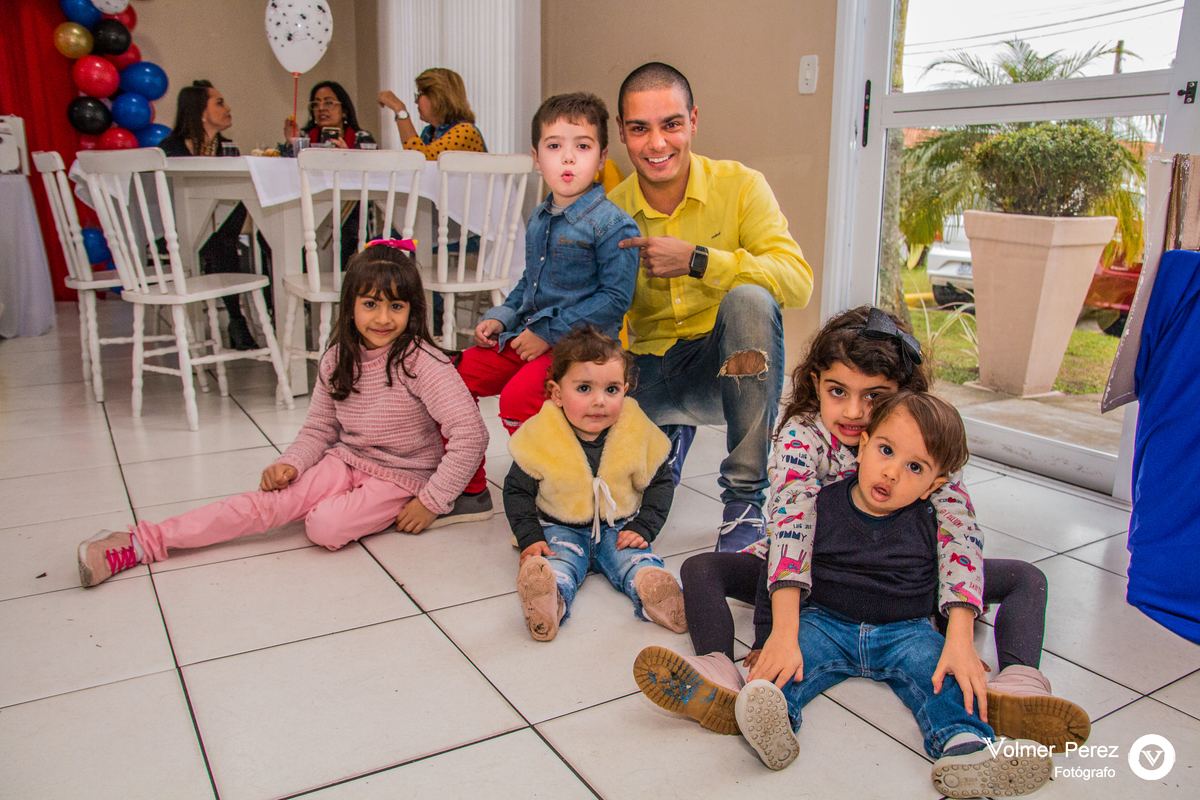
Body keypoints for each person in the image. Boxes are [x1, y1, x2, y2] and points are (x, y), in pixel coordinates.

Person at [633, 307, 1090, 753]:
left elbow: (959, 535)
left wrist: (959, 636)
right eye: (838, 391)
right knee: (701, 568)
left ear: (904, 393)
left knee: (1027, 578)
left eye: (874, 396)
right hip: (818, 575)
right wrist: (779, 636)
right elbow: (792, 527)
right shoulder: (802, 436)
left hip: (905, 579)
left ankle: (1017, 685)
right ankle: (719, 668)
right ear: (816, 383)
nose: (853, 412)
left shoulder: (924, 438)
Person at [76, 243, 488, 587]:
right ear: (350, 307)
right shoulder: (337, 358)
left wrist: (432, 502)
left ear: (412, 310)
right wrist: (291, 462)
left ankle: (337, 503)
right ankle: (141, 542)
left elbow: (471, 435)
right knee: (267, 505)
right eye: (370, 304)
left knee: (324, 527)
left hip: (403, 477)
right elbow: (320, 428)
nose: (383, 318)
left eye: (395, 306)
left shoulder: (424, 362)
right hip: (346, 460)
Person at [733, 392, 1053, 798]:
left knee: (946, 678)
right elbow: (780, 565)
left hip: (907, 631)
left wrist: (957, 641)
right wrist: (769, 639)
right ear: (863, 446)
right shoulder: (821, 505)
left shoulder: (933, 520)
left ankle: (965, 746)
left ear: (933, 484)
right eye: (886, 451)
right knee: (783, 668)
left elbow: (957, 570)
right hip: (826, 622)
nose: (892, 472)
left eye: (914, 467)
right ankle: (773, 720)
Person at [608, 62, 813, 553]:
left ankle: (743, 502)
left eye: (671, 124)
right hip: (646, 377)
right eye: (639, 129)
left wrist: (699, 260)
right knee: (602, 502)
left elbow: (798, 282)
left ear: (694, 121)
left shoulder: (740, 186)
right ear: (622, 132)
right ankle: (670, 435)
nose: (657, 143)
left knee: (750, 299)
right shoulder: (609, 213)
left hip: (724, 375)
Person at [449, 92, 639, 517]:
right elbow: (529, 283)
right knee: (452, 376)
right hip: (530, 334)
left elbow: (614, 300)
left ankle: (554, 484)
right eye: (554, 146)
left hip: (584, 347)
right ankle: (470, 486)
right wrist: (502, 317)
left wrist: (546, 334)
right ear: (536, 158)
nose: (567, 158)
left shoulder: (614, 225)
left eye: (582, 146)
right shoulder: (538, 218)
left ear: (602, 157)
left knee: (517, 399)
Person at [507, 328, 685, 642]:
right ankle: (549, 598)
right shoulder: (541, 435)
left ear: (625, 391)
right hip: (560, 528)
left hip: (620, 527)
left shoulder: (636, 430)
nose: (599, 401)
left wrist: (645, 527)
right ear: (557, 393)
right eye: (584, 388)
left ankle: (656, 590)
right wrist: (530, 537)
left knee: (634, 560)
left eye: (612, 390)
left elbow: (661, 481)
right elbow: (517, 490)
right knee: (558, 562)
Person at [159, 79, 265, 350]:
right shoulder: (169, 150)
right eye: (219, 103)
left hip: (221, 233)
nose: (228, 108)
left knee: (222, 240)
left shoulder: (228, 150)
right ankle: (236, 321)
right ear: (201, 112)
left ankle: (237, 320)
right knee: (220, 244)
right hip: (177, 232)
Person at [378, 68, 486, 159]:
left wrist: (400, 109)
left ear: (436, 97)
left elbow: (422, 159)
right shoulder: (428, 132)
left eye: (419, 95)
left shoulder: (466, 131)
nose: (416, 101)